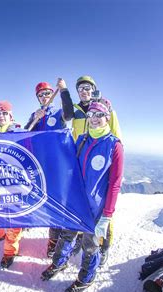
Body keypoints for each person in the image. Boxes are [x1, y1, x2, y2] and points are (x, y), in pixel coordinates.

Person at [41, 99, 124, 292]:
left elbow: (115, 184)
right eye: (91, 115)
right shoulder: (82, 140)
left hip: (96, 208)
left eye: (99, 115)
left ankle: (86, 277)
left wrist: (107, 215)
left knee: (90, 244)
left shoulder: (115, 146)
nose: (94, 119)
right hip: (76, 202)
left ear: (107, 117)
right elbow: (71, 169)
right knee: (67, 235)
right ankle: (59, 263)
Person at [47, 75, 122, 266]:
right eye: (80, 89)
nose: (84, 91)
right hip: (80, 157)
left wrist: (115, 166)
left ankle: (103, 247)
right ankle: (80, 239)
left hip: (100, 162)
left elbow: (116, 136)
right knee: (81, 204)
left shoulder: (105, 109)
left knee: (103, 210)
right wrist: (63, 90)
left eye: (88, 88)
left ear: (94, 89)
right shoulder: (78, 110)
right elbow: (67, 112)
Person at [25, 79, 74, 258]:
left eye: (47, 93)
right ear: (37, 98)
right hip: (43, 166)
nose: (44, 97)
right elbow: (25, 134)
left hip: (61, 164)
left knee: (62, 202)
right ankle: (53, 241)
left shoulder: (58, 111)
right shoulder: (37, 114)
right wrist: (33, 119)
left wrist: (64, 91)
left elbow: (69, 115)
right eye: (41, 94)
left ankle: (67, 240)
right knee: (51, 204)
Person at [0, 100, 24, 269]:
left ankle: (10, 252)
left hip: (15, 182)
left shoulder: (19, 132)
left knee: (13, 218)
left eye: (4, 113)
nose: (1, 116)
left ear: (11, 115)